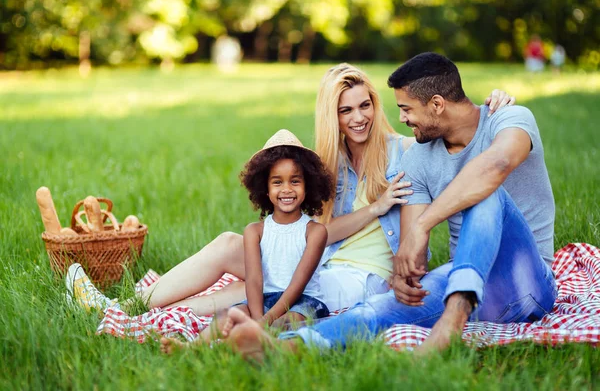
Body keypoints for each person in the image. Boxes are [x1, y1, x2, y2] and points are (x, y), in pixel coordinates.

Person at [65, 64, 516, 324]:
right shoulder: (327, 166)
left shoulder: (405, 153)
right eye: (345, 110)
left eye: (365, 105)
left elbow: (457, 141)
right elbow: (321, 231)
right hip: (322, 257)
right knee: (233, 251)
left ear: (376, 106)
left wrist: (491, 105)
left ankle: (138, 314)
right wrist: (375, 208)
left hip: (366, 277)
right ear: (331, 116)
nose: (357, 118)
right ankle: (129, 309)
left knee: (251, 287)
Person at [221, 52, 557, 359]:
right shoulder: (420, 159)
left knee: (488, 192)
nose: (401, 118)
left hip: (528, 282)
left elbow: (495, 166)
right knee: (377, 308)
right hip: (466, 284)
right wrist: (403, 276)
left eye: (407, 109)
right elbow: (413, 251)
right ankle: (287, 348)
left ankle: (451, 321)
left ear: (437, 104)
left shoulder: (509, 118)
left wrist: (426, 224)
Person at [156, 129, 334, 353]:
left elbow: (298, 283)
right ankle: (193, 348)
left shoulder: (315, 232)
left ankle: (251, 343)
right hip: (264, 299)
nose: (287, 189)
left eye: (295, 181)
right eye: (277, 182)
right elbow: (254, 280)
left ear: (308, 186)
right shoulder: (255, 231)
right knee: (228, 315)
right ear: (265, 189)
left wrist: (267, 319)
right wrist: (257, 316)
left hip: (304, 301)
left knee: (288, 320)